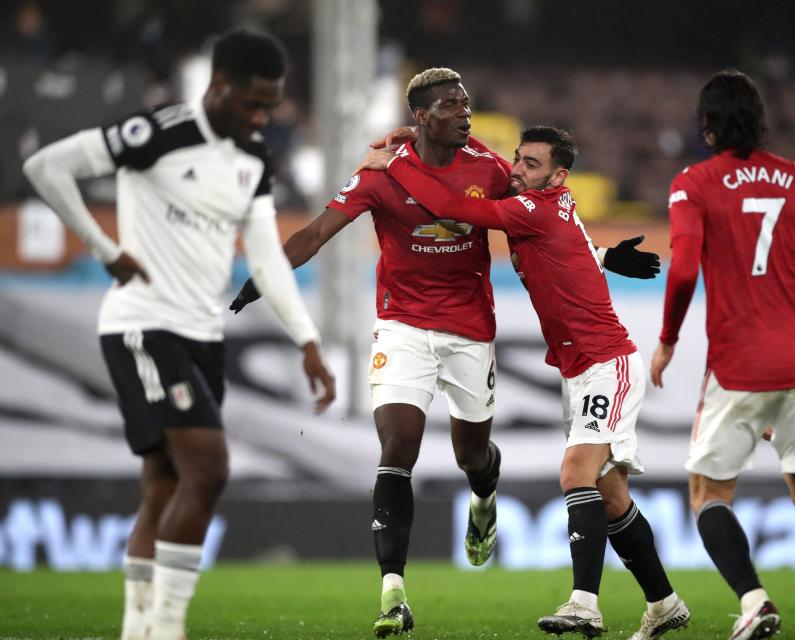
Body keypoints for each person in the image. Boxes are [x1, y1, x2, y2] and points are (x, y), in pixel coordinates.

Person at [230, 67, 656, 638]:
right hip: (402, 324)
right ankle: (393, 594)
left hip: (469, 330)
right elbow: (313, 234)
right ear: (422, 116)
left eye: (467, 103)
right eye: (452, 105)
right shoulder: (376, 176)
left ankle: (484, 498)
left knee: (472, 456)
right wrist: (266, 274)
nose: (466, 112)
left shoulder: (485, 167)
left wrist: (605, 256)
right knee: (398, 443)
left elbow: (550, 223)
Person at [22, 30, 335, 640]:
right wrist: (105, 249)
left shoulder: (252, 160)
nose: (261, 117)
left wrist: (307, 340)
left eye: (270, 105)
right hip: (143, 325)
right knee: (210, 468)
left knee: (164, 483)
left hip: (202, 334)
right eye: (252, 103)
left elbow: (267, 260)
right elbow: (46, 166)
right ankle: (168, 629)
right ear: (219, 86)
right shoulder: (157, 133)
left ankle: (137, 629)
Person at [358, 126, 688, 640]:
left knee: (576, 473)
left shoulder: (527, 210)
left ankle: (584, 605)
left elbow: (457, 207)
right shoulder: (546, 207)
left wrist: (395, 164)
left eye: (531, 164)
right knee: (612, 496)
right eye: (517, 159)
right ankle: (664, 604)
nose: (516, 169)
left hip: (607, 363)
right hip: (577, 371)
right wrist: (603, 257)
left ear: (559, 175)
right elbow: (568, 241)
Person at [649, 69, 795, 640]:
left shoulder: (693, 183)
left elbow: (681, 271)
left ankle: (753, 600)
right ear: (760, 121)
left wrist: (669, 339)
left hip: (739, 360)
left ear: (706, 124)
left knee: (707, 492)